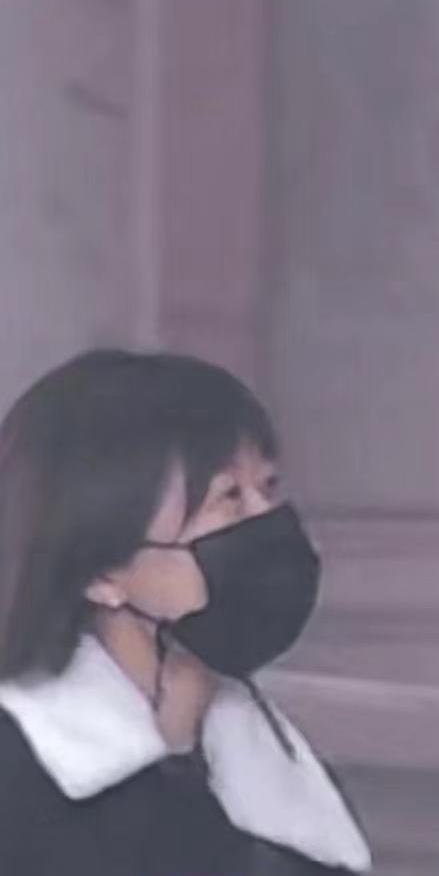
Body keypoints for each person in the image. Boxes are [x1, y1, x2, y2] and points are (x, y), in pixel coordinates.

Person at [0, 348, 372, 875]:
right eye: (229, 497)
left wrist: (177, 751)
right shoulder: (22, 779)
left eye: (268, 488)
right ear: (104, 571)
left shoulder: (260, 751)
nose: (268, 521)